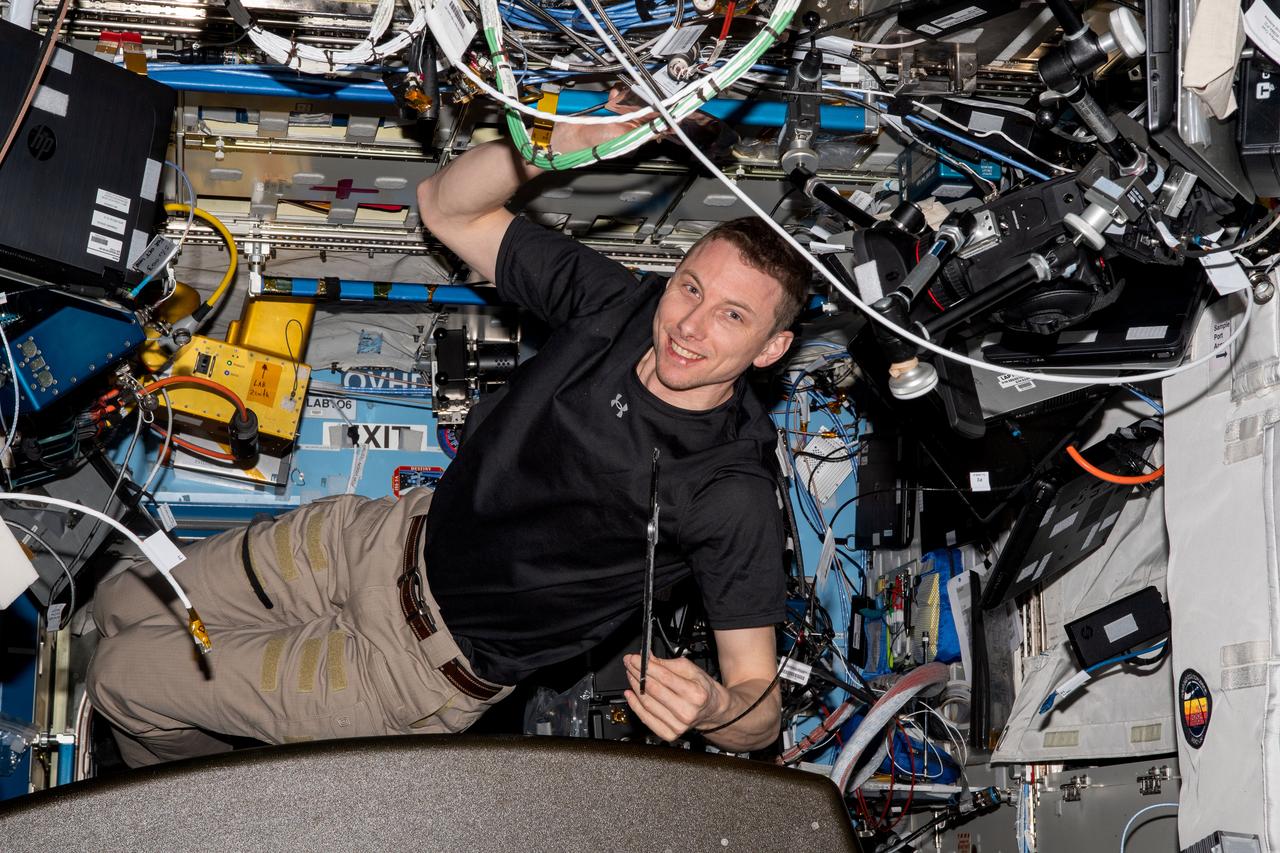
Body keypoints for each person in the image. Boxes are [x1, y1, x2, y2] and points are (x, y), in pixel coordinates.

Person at [87, 104, 808, 766]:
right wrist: (555, 146)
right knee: (121, 603)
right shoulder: (619, 307)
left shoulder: (729, 489)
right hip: (369, 541)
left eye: (733, 316)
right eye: (691, 288)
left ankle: (180, 802)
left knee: (121, 682)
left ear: (772, 348)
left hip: (411, 667)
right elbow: (446, 206)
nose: (689, 325)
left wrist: (715, 706)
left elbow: (760, 708)